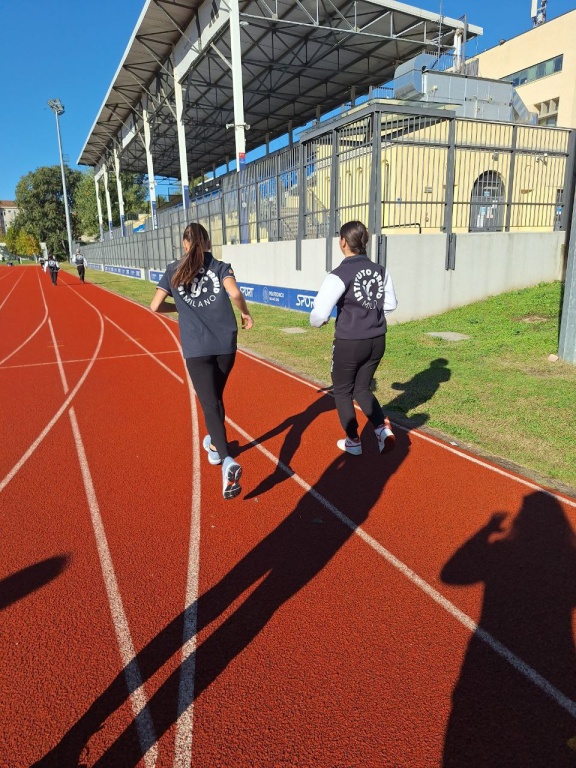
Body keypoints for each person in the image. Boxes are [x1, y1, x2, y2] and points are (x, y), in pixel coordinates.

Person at [150, 222, 254, 499]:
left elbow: (155, 306)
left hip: (197, 347)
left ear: (184, 245)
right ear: (208, 242)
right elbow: (235, 293)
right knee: (215, 399)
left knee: (210, 403)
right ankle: (215, 447)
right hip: (225, 344)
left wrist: (180, 308)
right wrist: (245, 313)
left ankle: (227, 459)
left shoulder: (173, 269)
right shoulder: (220, 267)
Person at [310, 220, 397, 456]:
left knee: (342, 390)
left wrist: (319, 322)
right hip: (377, 339)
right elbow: (390, 304)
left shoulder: (339, 274)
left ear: (343, 242)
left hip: (350, 342)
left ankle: (353, 440)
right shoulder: (381, 270)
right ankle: (381, 429)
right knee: (361, 388)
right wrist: (369, 317)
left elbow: (319, 314)